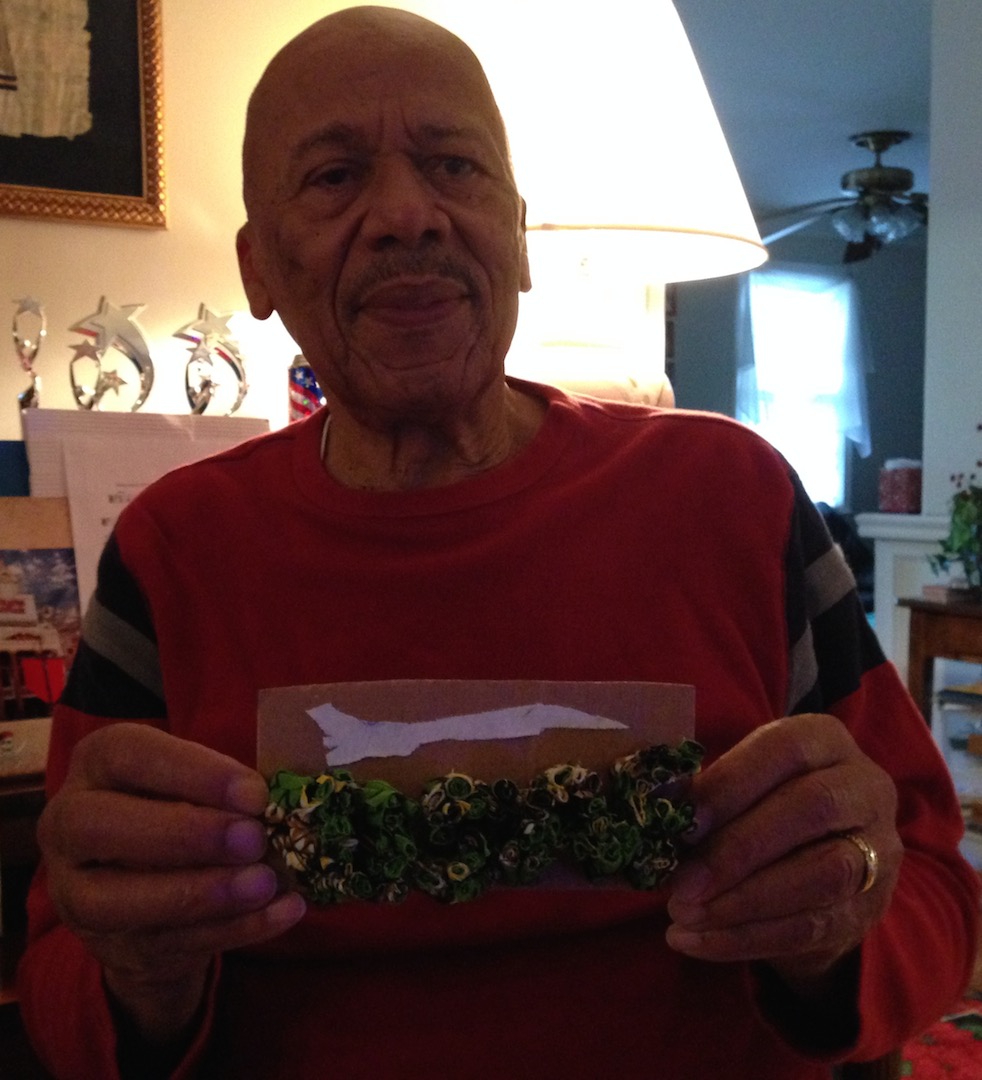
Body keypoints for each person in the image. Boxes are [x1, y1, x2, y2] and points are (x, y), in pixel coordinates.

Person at [17, 6, 979, 1078]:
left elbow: (936, 896)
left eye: (454, 165)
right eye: (333, 177)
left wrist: (833, 925)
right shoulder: (173, 549)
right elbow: (64, 988)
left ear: (517, 234)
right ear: (258, 268)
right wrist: (140, 976)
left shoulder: (736, 497)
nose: (405, 215)